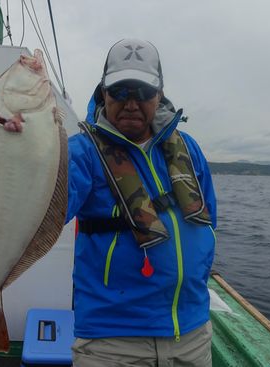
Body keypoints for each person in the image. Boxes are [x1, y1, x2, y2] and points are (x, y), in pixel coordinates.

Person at [66, 38, 217, 367]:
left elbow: (209, 222)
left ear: (159, 94)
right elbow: (44, 211)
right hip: (111, 342)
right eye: (120, 91)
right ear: (103, 93)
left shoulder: (188, 149)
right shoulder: (81, 152)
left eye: (143, 92)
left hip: (192, 334)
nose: (131, 103)